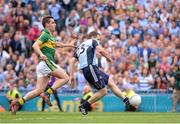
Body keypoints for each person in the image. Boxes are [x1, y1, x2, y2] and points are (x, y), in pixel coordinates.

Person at [10, 16, 75, 115]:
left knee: (38, 91)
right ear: (47, 24)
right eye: (53, 23)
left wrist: (69, 45)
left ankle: (17, 102)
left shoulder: (50, 36)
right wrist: (41, 54)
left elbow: (57, 44)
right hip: (46, 62)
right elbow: (35, 45)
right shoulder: (45, 34)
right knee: (66, 78)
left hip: (41, 65)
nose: (55, 24)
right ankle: (47, 94)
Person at [69, 31, 130, 115]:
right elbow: (100, 50)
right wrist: (108, 58)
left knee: (111, 82)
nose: (100, 39)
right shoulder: (93, 41)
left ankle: (125, 100)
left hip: (89, 69)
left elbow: (72, 61)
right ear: (94, 36)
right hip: (90, 67)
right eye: (99, 37)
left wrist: (71, 75)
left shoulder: (79, 47)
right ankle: (84, 106)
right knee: (103, 91)